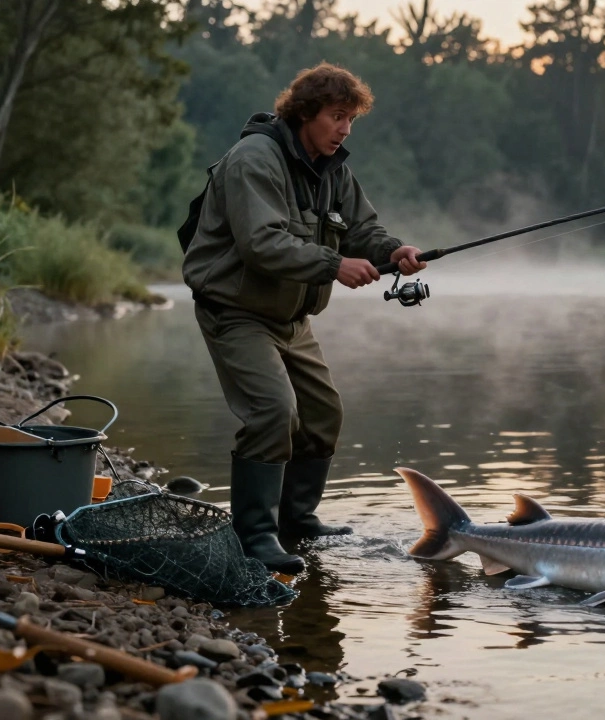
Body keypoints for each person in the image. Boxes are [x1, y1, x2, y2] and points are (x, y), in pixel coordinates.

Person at [182, 62, 426, 574]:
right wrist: (335, 265)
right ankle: (254, 536)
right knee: (274, 412)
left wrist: (394, 250)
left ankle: (296, 520)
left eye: (351, 119)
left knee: (322, 415)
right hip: (236, 312)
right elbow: (261, 243)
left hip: (293, 319)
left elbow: (362, 229)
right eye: (337, 116)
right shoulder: (255, 159)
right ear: (304, 114)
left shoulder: (333, 168)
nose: (345, 129)